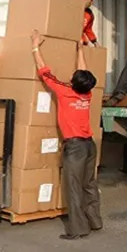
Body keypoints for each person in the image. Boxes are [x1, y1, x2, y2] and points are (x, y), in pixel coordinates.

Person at [31, 31, 102, 240]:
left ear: (73, 82)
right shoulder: (87, 93)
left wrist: (35, 46)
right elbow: (84, 71)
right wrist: (80, 49)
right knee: (89, 184)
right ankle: (95, 221)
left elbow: (44, 71)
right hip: (90, 145)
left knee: (73, 186)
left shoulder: (65, 91)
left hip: (75, 147)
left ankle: (78, 229)